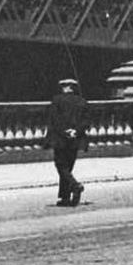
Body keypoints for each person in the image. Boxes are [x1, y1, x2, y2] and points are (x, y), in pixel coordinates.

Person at [43, 78, 88, 207]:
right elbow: (86, 121)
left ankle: (75, 186)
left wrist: (65, 131)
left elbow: (54, 120)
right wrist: (76, 131)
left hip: (61, 139)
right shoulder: (82, 102)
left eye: (64, 86)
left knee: (60, 165)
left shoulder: (57, 100)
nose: (63, 87)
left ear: (70, 87)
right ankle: (65, 197)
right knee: (68, 166)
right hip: (75, 139)